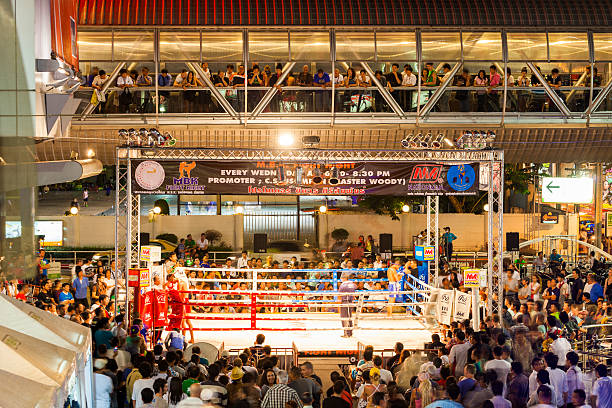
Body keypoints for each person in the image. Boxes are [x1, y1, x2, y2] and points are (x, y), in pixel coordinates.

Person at [338, 272, 356, 338]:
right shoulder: (352, 284)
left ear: (344, 278)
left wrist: (339, 304)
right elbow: (354, 294)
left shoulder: (343, 284)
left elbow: (339, 295)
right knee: (349, 316)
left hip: (344, 301)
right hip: (350, 301)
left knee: (344, 317)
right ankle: (350, 333)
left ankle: (346, 333)